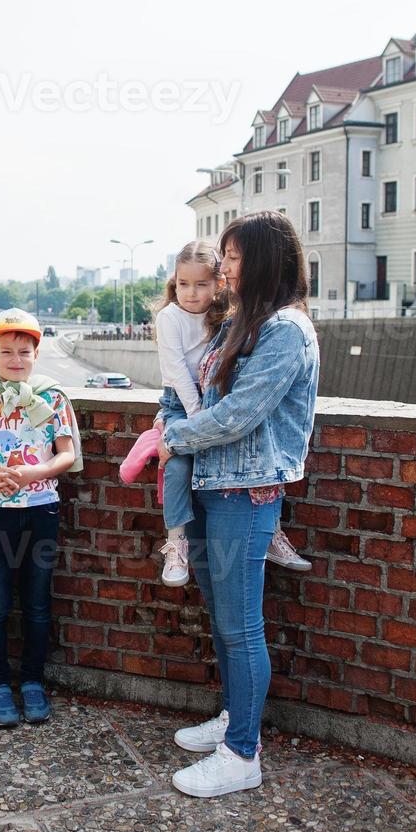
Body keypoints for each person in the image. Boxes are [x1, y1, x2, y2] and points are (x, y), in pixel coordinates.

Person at [157, 211, 320, 799]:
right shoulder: (235, 324)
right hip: (209, 484)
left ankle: (242, 753)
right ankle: (233, 718)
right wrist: (167, 421)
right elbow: (186, 391)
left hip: (244, 494)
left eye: (232, 257)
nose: (222, 266)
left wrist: (172, 438)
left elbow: (239, 414)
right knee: (223, 621)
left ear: (263, 261)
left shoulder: (285, 330)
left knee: (241, 625)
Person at [0, 309, 78, 727]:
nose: (16, 359)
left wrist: (34, 473)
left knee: (38, 602)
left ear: (36, 354)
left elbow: (67, 453)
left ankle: (32, 682)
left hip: (41, 509)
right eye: (6, 351)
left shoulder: (52, 397)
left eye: (25, 351)